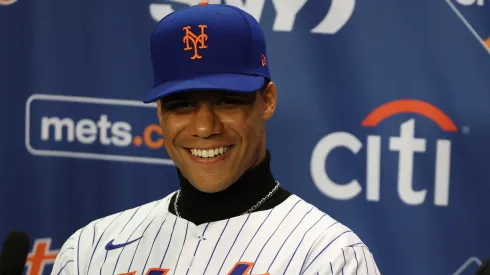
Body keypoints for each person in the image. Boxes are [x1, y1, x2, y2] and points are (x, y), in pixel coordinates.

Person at [51, 2, 381, 274]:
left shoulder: (330, 257)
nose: (205, 127)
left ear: (266, 100)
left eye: (226, 100)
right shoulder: (89, 250)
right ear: (160, 114)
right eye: (183, 105)